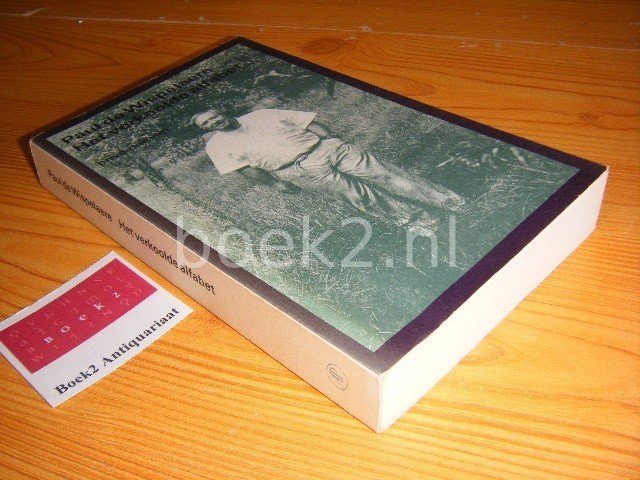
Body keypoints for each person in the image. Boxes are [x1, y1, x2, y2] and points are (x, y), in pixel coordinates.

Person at [191, 108, 465, 232]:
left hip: (327, 147)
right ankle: (420, 222)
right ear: (204, 129)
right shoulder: (217, 146)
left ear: (222, 112)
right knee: (360, 196)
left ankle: (450, 202)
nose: (214, 122)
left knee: (386, 176)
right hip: (298, 171)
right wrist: (276, 184)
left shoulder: (261, 115)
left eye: (214, 116)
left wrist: (332, 138)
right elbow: (244, 169)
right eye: (206, 123)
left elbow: (306, 122)